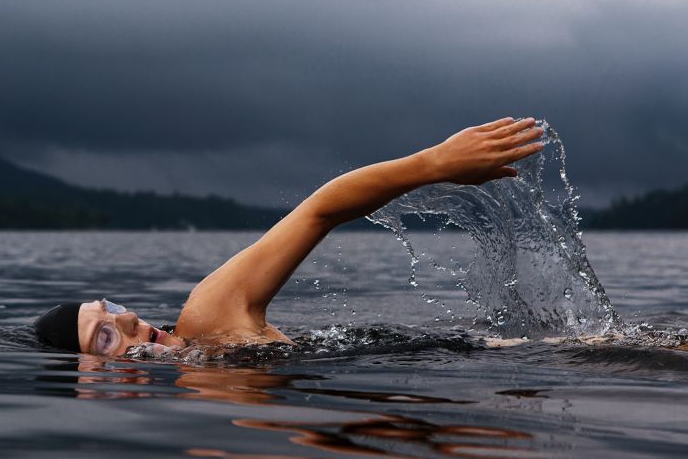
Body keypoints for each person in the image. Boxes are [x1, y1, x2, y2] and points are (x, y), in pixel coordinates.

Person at [34, 117, 547, 356]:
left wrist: (433, 164)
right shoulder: (201, 396)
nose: (127, 317)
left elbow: (319, 211)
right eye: (105, 336)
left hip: (519, 356)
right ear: (91, 383)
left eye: (112, 308)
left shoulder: (207, 319)